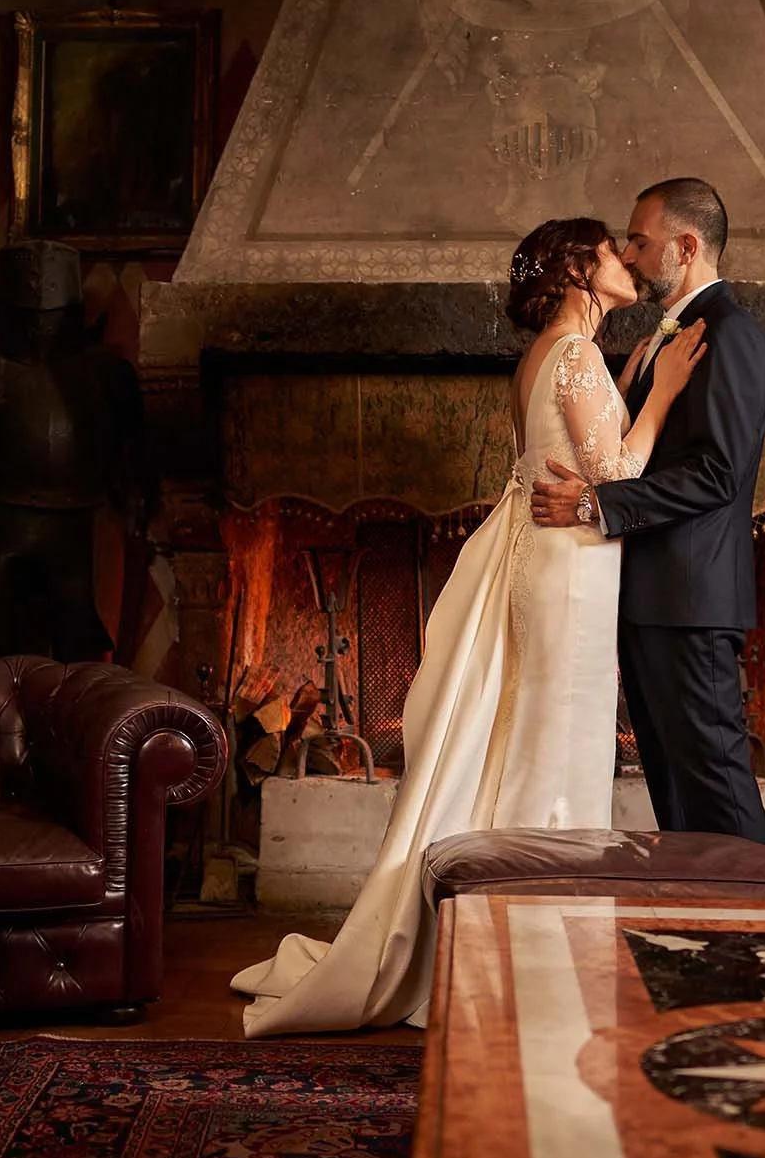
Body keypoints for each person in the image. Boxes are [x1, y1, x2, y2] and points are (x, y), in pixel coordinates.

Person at [231, 216, 708, 1036]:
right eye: (611, 249)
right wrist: (661, 394)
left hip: (547, 560)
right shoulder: (575, 355)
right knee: (560, 741)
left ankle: (507, 931)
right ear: (574, 270)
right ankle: (538, 945)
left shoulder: (543, 358)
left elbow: (572, 450)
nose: (628, 259)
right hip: (572, 568)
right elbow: (621, 472)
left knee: (531, 735)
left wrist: (627, 383)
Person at [531, 177, 765, 842]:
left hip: (692, 605)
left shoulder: (732, 336)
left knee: (717, 790)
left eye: (640, 241)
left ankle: (759, 936)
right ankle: (699, 934)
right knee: (676, 796)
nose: (632, 255)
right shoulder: (665, 339)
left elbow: (718, 473)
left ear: (687, 246)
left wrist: (596, 502)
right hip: (649, 602)